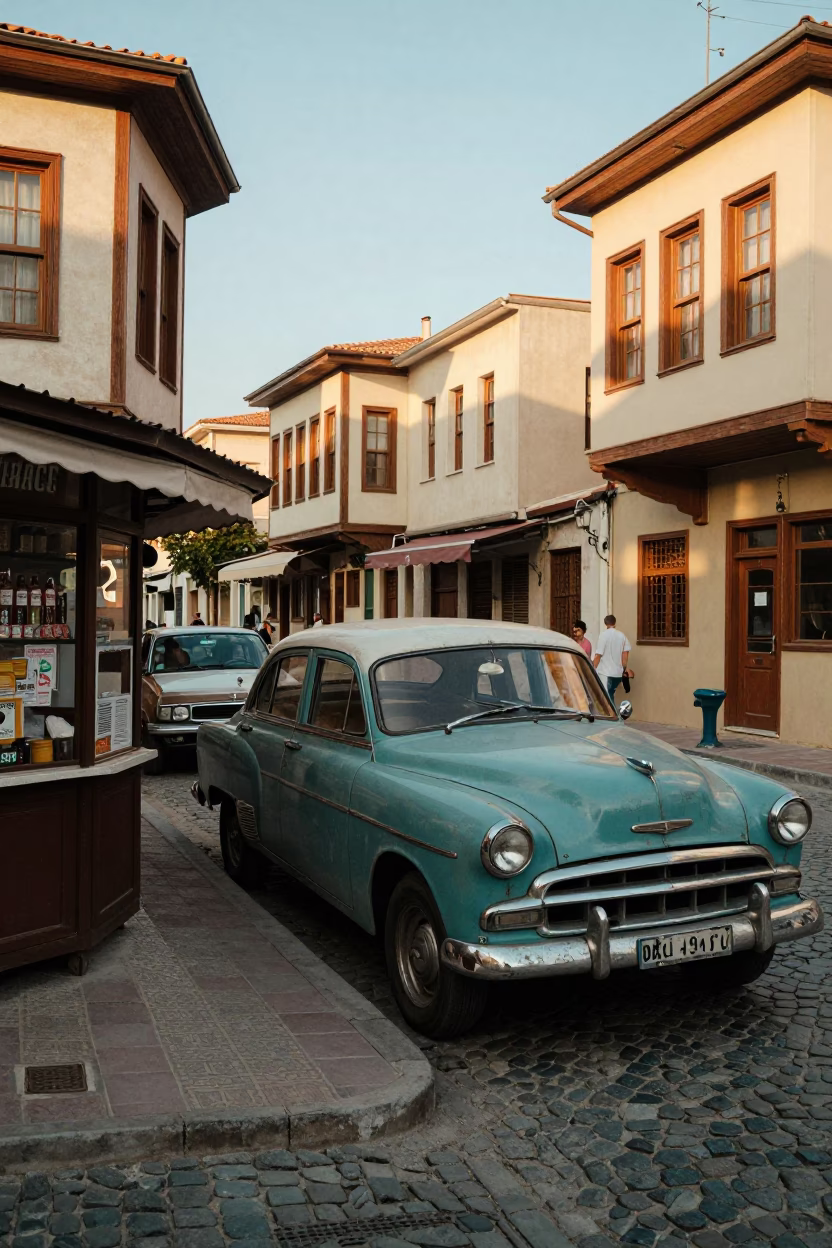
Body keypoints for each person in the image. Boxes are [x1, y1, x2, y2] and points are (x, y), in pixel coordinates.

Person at [593, 614, 632, 704]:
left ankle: (612, 716)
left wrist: (592, 667)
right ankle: (612, 715)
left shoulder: (603, 635)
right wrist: (624, 669)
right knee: (610, 695)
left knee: (607, 699)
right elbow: (625, 655)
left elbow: (598, 655)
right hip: (617, 674)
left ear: (605, 623)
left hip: (605, 673)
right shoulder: (622, 636)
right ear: (615, 623)